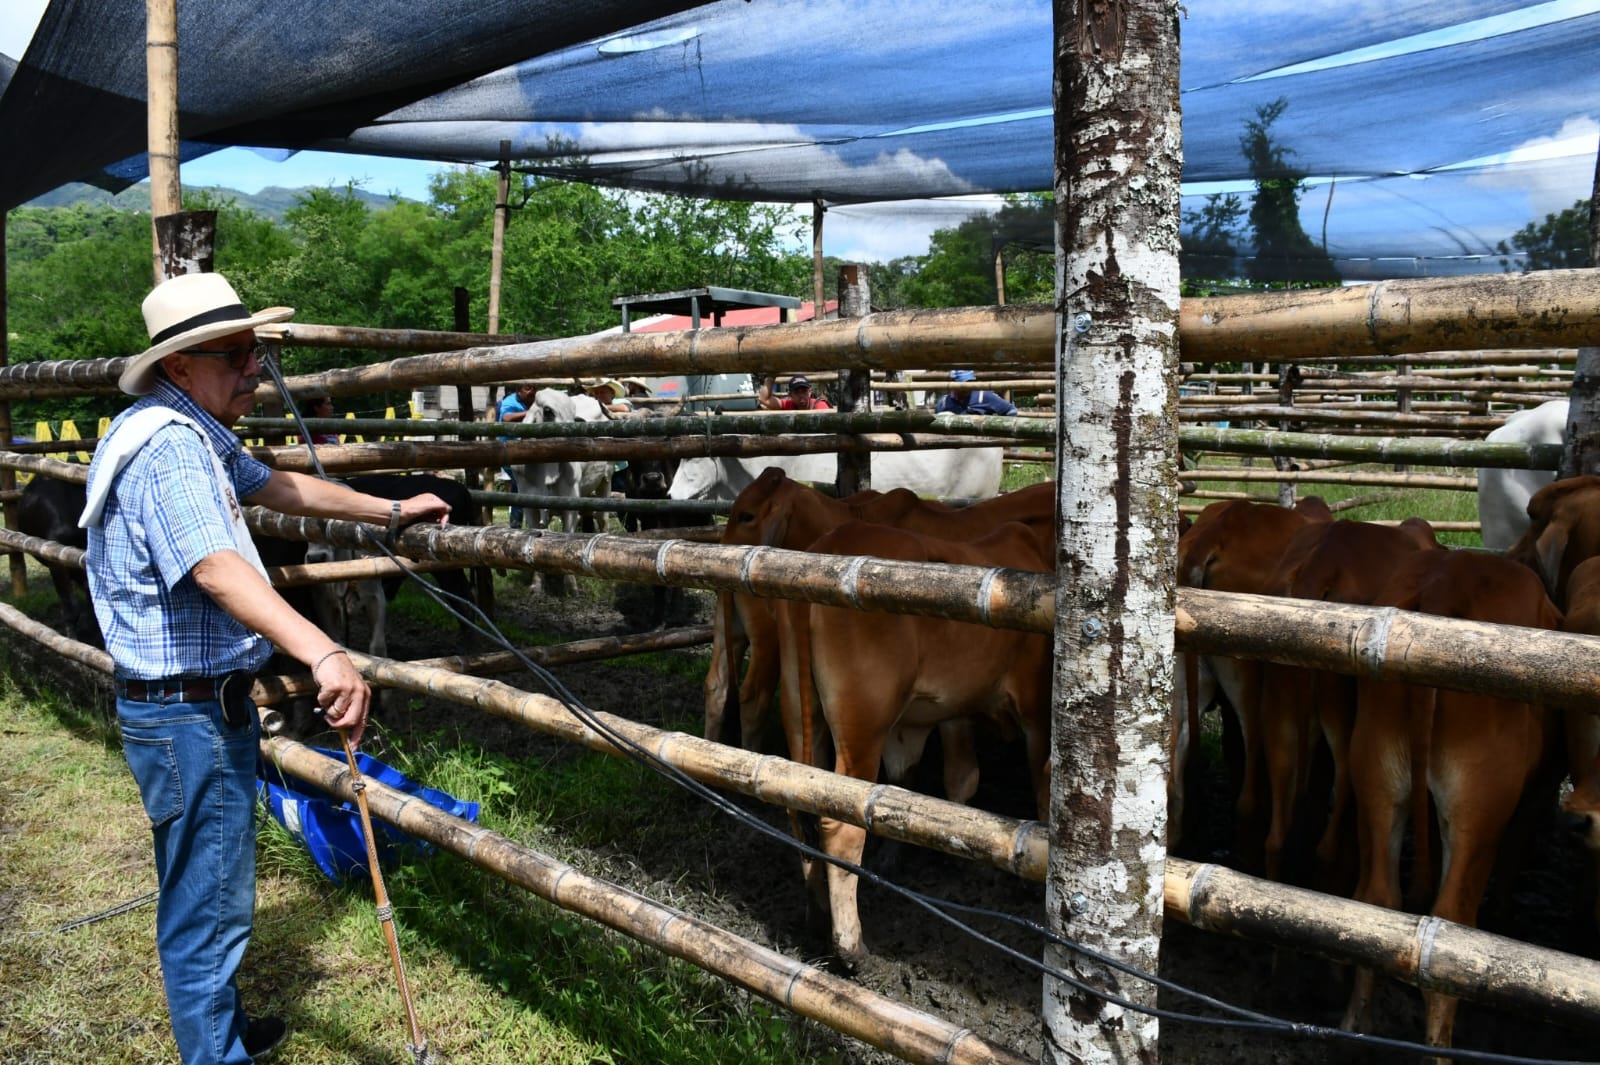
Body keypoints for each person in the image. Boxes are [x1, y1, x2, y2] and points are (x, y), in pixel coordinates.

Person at [81, 271, 451, 1065]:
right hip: (188, 711)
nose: (255, 368)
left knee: (206, 888)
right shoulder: (175, 452)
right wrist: (321, 648)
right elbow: (216, 566)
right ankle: (215, 1054)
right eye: (237, 354)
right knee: (208, 907)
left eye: (258, 351)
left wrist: (387, 509)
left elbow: (277, 484)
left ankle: (220, 1028)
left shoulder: (166, 427)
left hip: (184, 705)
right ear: (181, 366)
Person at [497, 383, 539, 529]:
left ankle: (522, 524)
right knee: (520, 486)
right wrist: (531, 412)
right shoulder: (510, 401)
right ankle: (518, 524)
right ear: (518, 391)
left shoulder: (537, 401)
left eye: (534, 388)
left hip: (530, 452)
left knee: (524, 487)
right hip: (510, 452)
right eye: (527, 388)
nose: (531, 391)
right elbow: (507, 418)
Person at [936, 369, 1017, 416]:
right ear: (952, 383)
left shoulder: (983, 396)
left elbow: (1011, 410)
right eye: (964, 383)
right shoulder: (943, 403)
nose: (969, 386)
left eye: (970, 382)